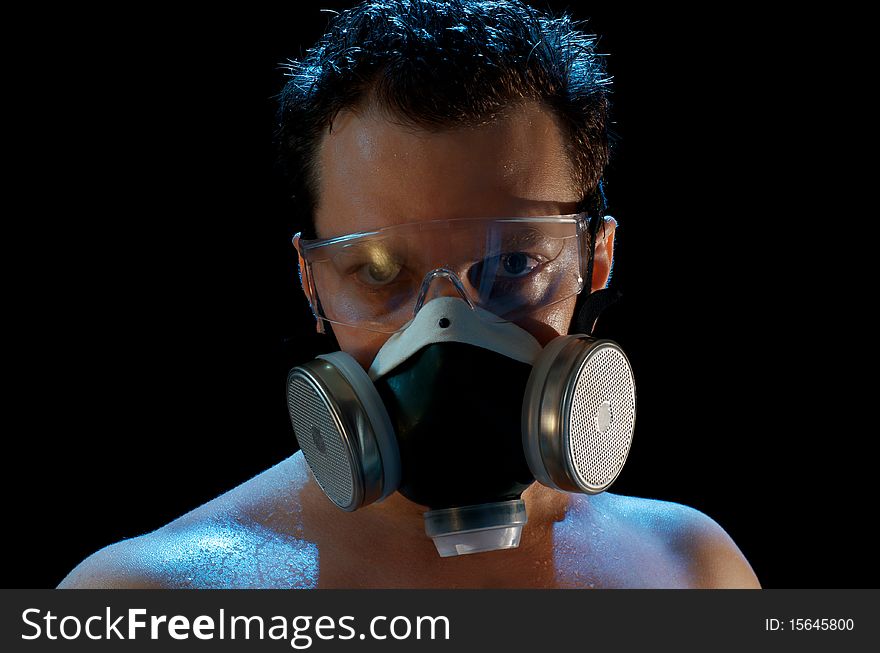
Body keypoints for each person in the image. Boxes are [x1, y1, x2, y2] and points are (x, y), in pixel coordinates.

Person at [59, 0, 760, 589]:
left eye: (512, 262)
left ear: (596, 257)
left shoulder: (689, 572)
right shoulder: (148, 597)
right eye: (377, 271)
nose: (445, 332)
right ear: (311, 281)